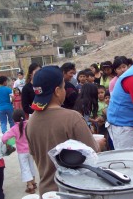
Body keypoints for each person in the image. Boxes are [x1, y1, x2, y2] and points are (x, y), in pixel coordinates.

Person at [26, 66, 105, 196]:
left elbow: (38, 157)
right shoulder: (72, 118)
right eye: (63, 87)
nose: (64, 90)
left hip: (47, 192)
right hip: (70, 191)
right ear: (57, 91)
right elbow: (93, 153)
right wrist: (99, 144)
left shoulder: (31, 122)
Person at [2, 109, 37, 194]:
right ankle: (33, 182)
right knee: (31, 165)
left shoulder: (14, 128)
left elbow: (3, 138)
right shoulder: (30, 124)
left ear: (13, 120)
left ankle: (30, 186)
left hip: (22, 152)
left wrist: (9, 142)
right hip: (31, 150)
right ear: (25, 116)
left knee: (25, 168)